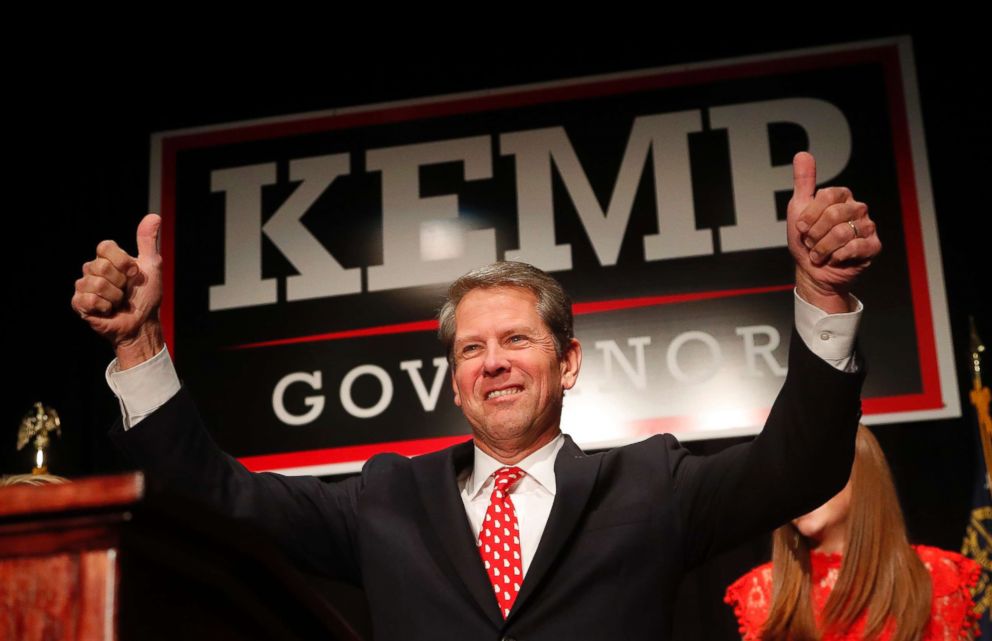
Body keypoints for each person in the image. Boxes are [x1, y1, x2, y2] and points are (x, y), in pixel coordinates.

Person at [72, 152, 881, 640]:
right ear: (455, 379)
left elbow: (800, 462)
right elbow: (219, 496)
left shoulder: (652, 484)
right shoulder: (385, 498)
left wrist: (821, 292)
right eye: (471, 349)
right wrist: (139, 346)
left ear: (568, 362)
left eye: (516, 340)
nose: (493, 363)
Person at [725, 426, 980, 641]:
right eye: (788, 482)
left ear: (860, 473)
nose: (798, 494)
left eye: (812, 474)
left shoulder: (935, 575)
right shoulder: (765, 590)